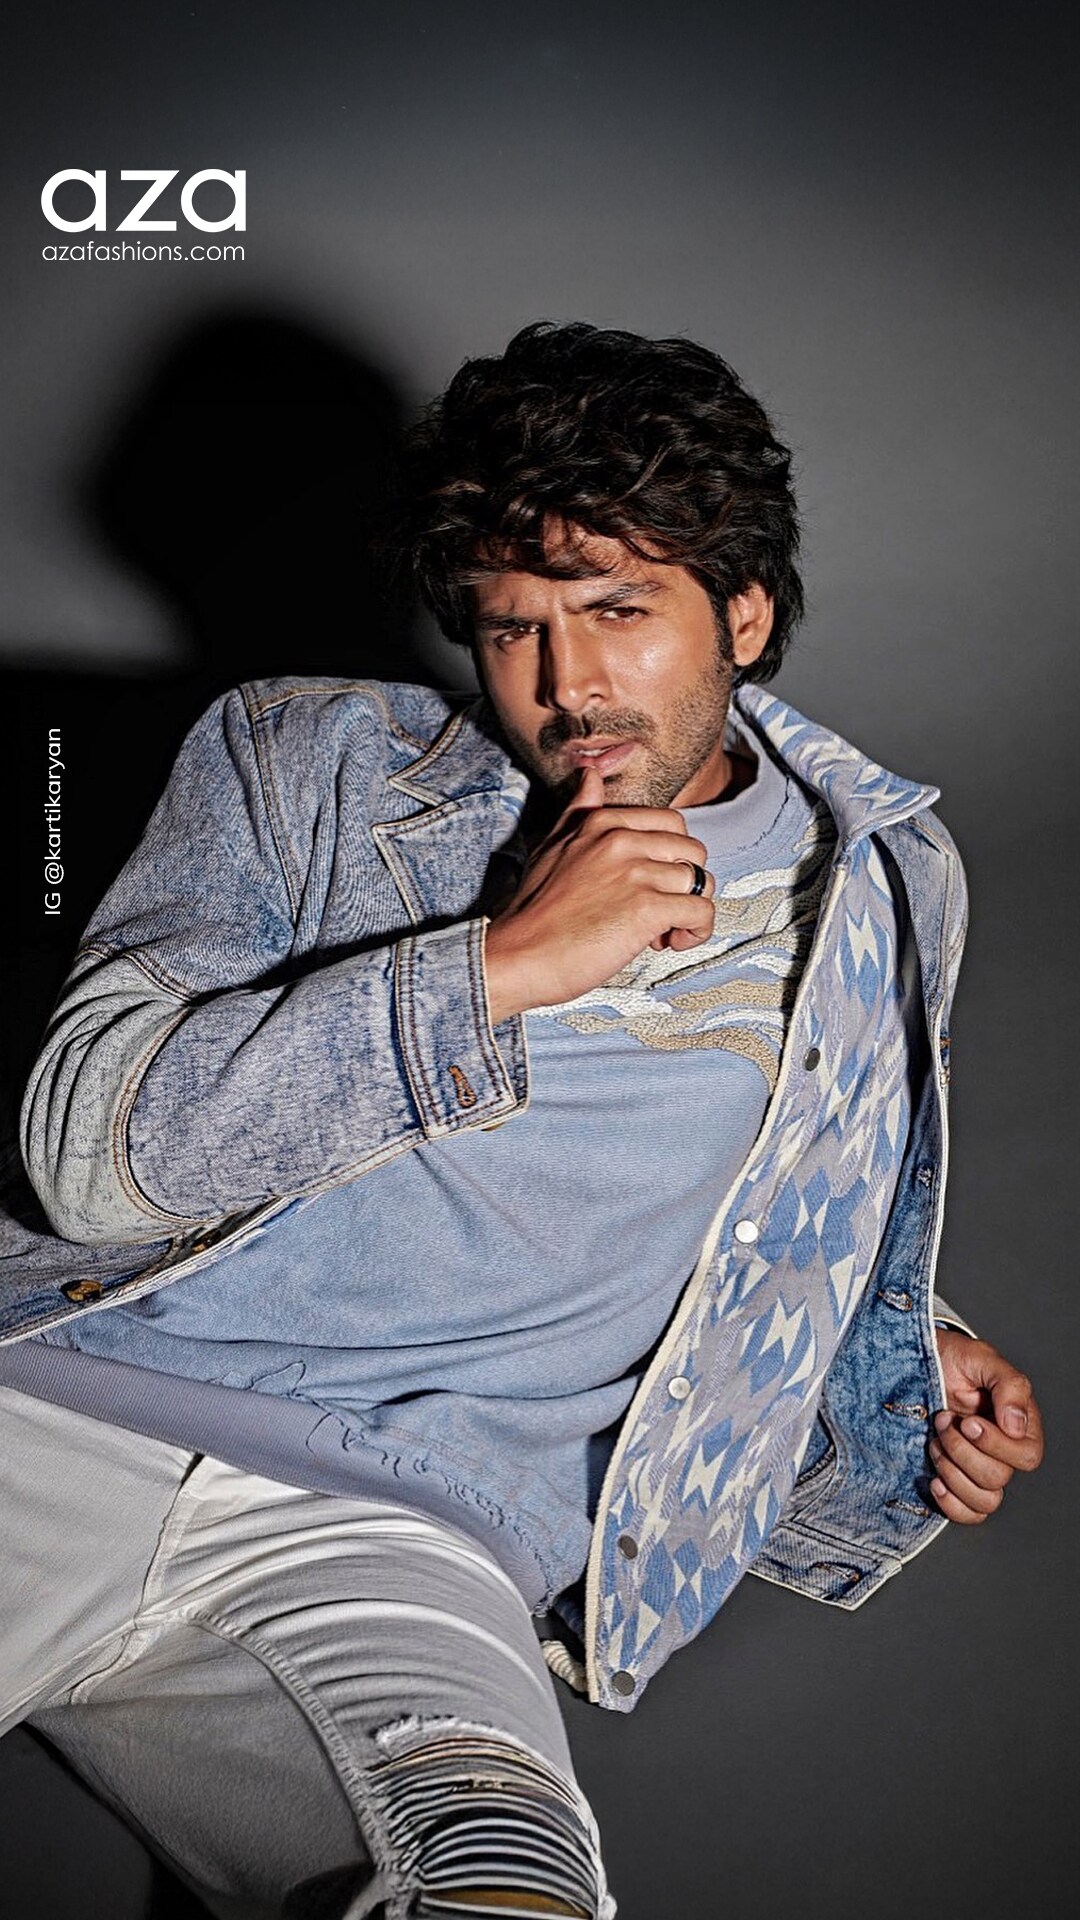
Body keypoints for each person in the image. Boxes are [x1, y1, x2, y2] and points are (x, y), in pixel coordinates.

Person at [0, 322, 1044, 1919]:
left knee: (499, 1894)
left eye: (619, 610)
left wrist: (898, 1337)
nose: (569, 688)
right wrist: (495, 967)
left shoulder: (889, 878)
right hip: (59, 1407)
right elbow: (89, 1156)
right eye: (513, 629)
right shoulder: (310, 762)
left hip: (401, 1527)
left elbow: (773, 1181)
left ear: (744, 614)